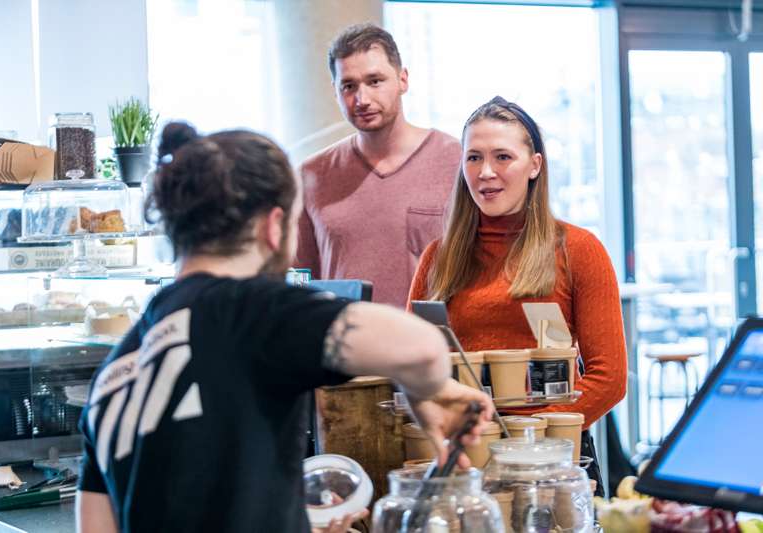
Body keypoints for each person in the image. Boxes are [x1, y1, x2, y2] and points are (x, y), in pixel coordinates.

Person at [75, 123, 494, 533]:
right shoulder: (248, 308)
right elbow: (420, 346)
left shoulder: (117, 369)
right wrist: (425, 391)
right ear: (272, 227)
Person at [407, 97, 627, 495]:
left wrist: (529, 438)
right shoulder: (438, 258)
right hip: (463, 458)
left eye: (502, 156)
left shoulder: (577, 249)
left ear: (535, 166)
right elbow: (414, 367)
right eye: (473, 158)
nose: (486, 172)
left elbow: (608, 379)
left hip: (552, 462)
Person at [295, 23, 461, 308]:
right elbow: (300, 276)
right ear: (335, 92)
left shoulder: (457, 160)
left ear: (403, 80)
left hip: (434, 345)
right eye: (349, 86)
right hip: (343, 344)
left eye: (375, 81)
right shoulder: (311, 175)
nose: (362, 99)